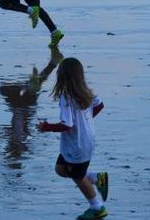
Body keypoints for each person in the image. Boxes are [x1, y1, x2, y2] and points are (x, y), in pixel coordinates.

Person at [37, 57, 108, 220]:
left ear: (62, 76)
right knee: (60, 169)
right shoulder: (86, 92)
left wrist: (46, 127)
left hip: (77, 145)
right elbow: (100, 105)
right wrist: (86, 121)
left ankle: (97, 207)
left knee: (77, 176)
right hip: (85, 141)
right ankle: (98, 178)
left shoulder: (66, 97)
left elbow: (67, 125)